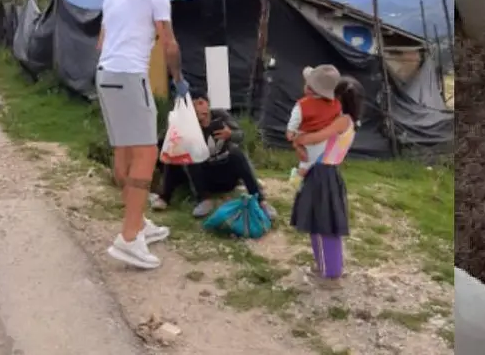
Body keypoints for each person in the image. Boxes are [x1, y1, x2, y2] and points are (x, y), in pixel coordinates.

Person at [96, 0, 188, 270]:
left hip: (105, 75)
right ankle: (129, 236)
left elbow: (101, 43)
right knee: (147, 154)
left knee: (124, 150)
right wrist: (178, 79)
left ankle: (139, 223)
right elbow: (169, 43)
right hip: (130, 77)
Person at [150, 94, 276, 220]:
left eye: (200, 102)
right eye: (194, 104)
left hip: (223, 171)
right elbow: (164, 144)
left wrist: (230, 135)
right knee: (184, 153)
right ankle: (186, 199)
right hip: (199, 177)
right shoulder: (185, 123)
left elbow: (240, 135)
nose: (198, 108)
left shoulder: (220, 115)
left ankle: (261, 201)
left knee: (236, 154)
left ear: (208, 104)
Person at [289, 76, 362, 290]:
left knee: (322, 224)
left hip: (322, 173)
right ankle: (328, 267)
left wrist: (297, 138)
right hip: (327, 172)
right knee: (323, 222)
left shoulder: (342, 120)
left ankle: (330, 274)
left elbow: (314, 138)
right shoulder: (350, 120)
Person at [285, 64, 343, 163]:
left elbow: (294, 121)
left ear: (309, 88)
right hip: (326, 142)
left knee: (305, 165)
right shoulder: (336, 105)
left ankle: (301, 175)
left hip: (306, 140)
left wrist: (290, 131)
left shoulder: (302, 104)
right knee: (322, 165)